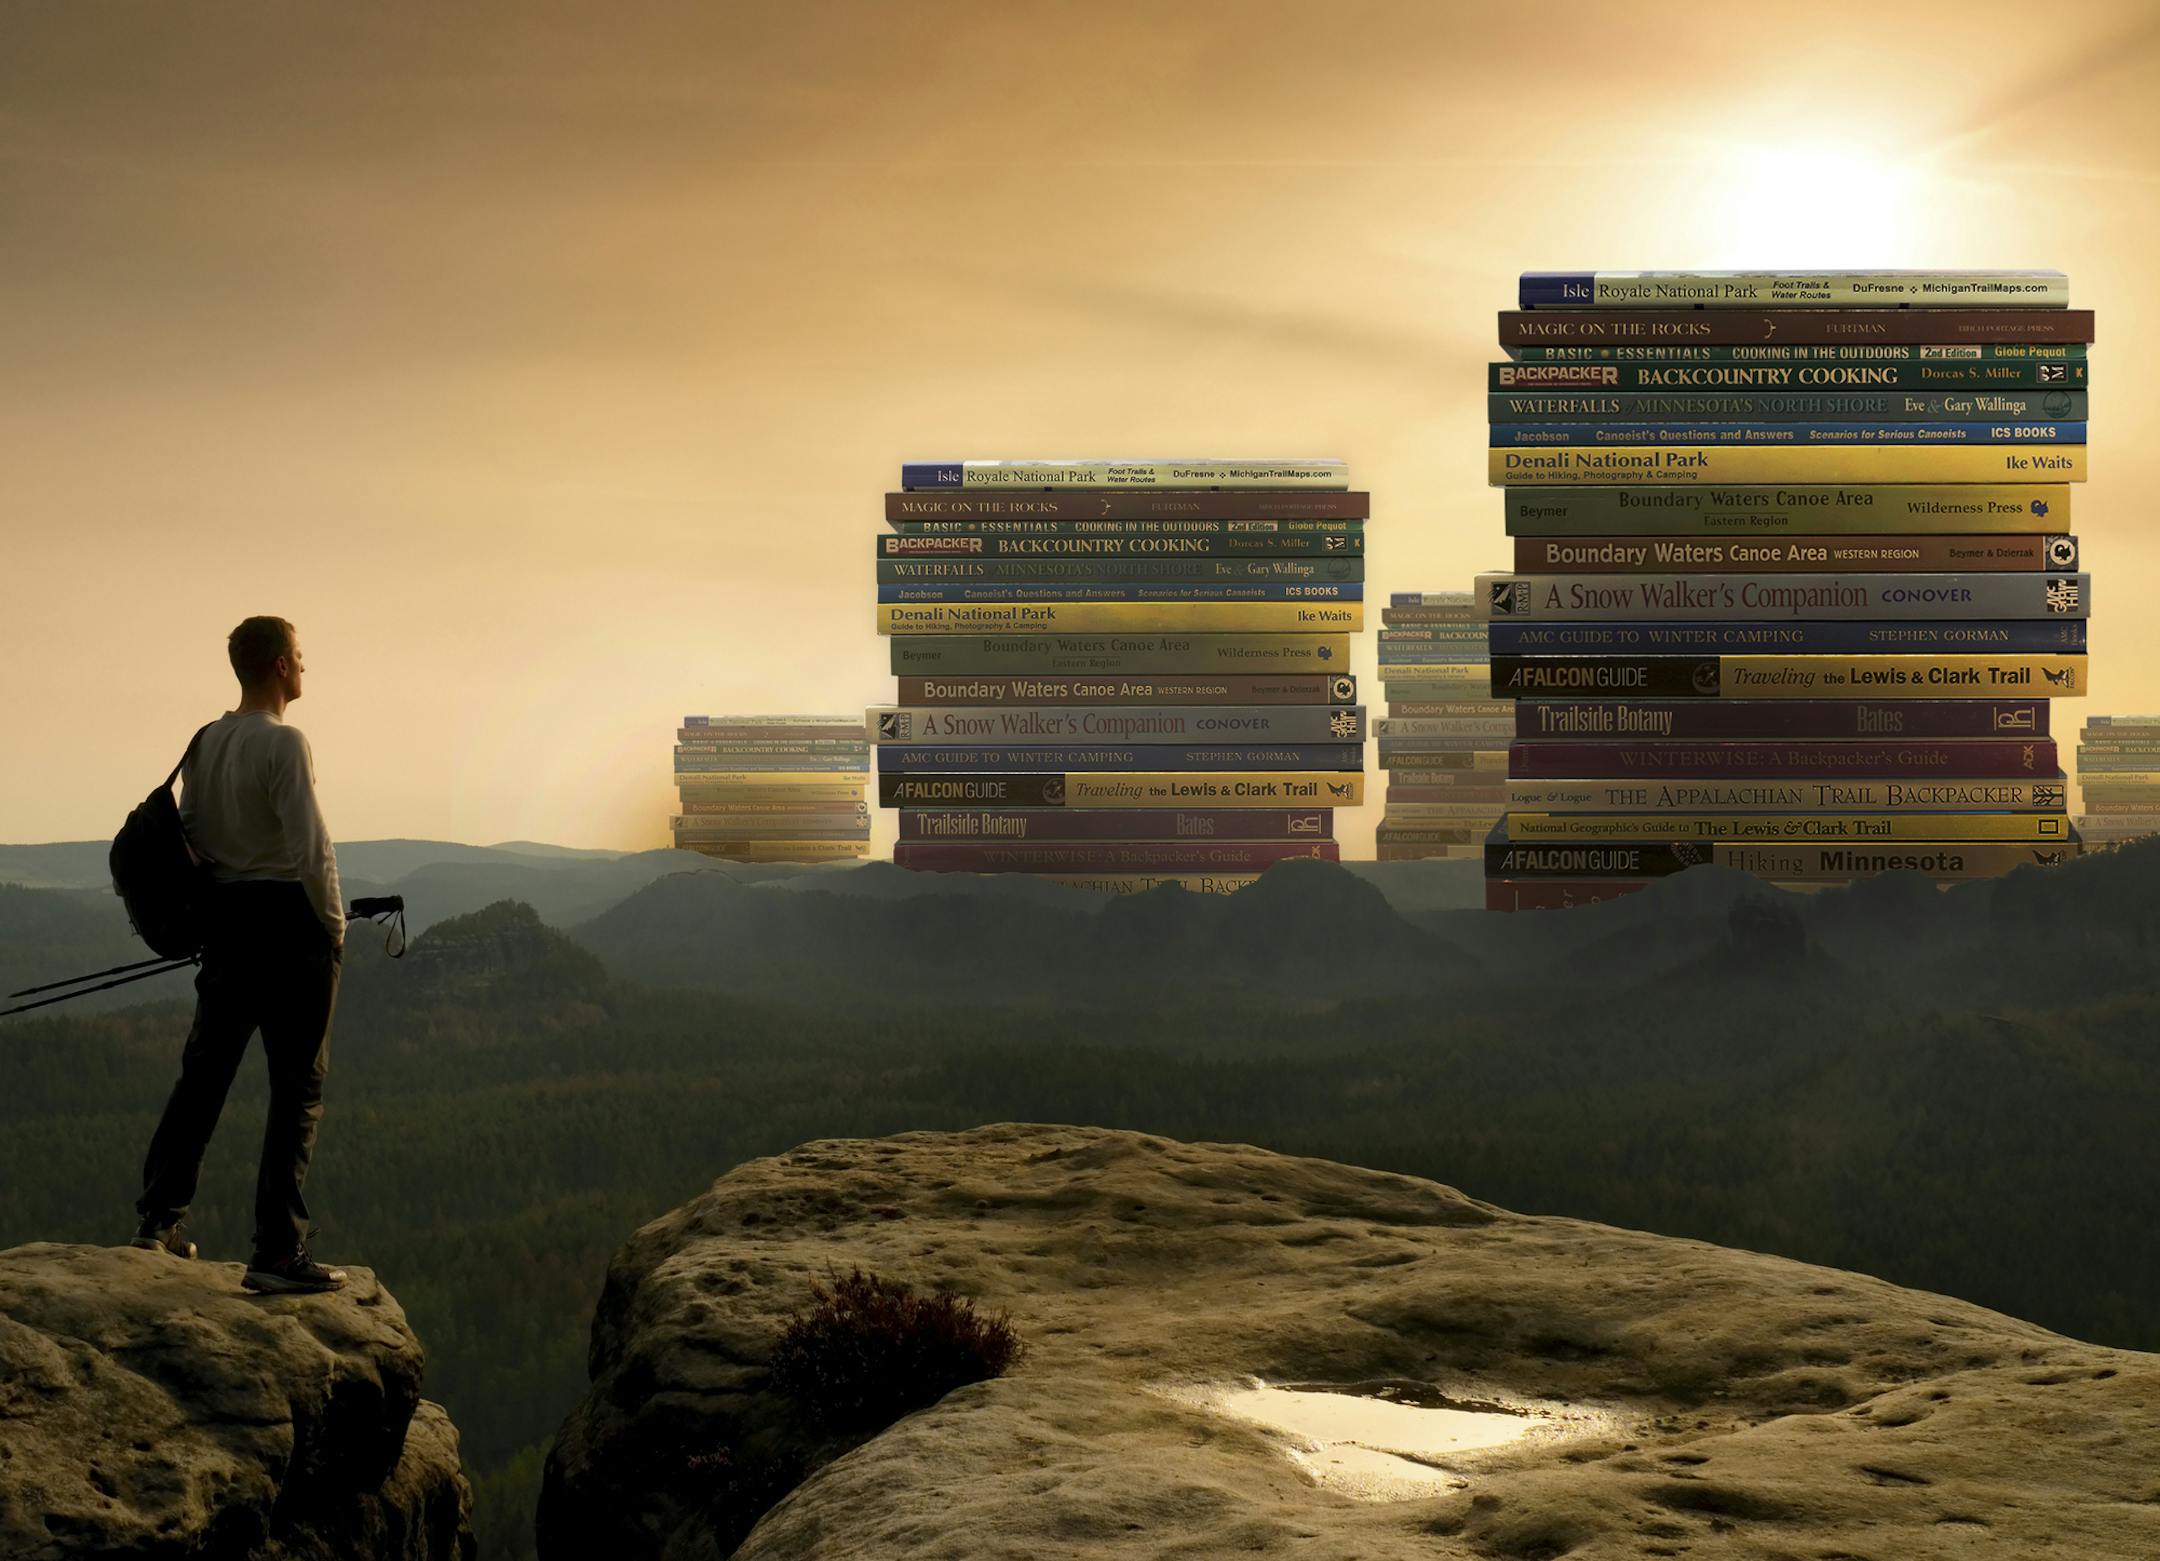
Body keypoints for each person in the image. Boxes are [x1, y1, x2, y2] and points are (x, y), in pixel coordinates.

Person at [131, 616, 348, 1293]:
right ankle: (278, 1251)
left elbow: (191, 836)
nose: (306, 667)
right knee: (296, 1091)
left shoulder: (206, 741)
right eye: (302, 656)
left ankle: (157, 1222)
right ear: (282, 665)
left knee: (203, 1078)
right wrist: (335, 926)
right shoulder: (284, 744)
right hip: (289, 928)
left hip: (225, 927)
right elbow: (311, 849)